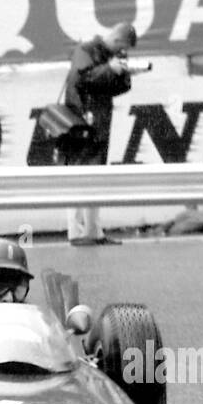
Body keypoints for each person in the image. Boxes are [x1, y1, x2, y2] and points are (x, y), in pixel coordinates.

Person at [60, 21, 138, 246]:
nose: (122, 52)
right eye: (122, 47)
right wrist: (110, 69)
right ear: (117, 39)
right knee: (76, 177)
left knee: (95, 178)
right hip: (79, 121)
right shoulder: (85, 50)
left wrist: (123, 73)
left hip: (99, 123)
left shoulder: (109, 56)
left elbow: (119, 88)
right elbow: (82, 78)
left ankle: (94, 231)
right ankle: (75, 233)